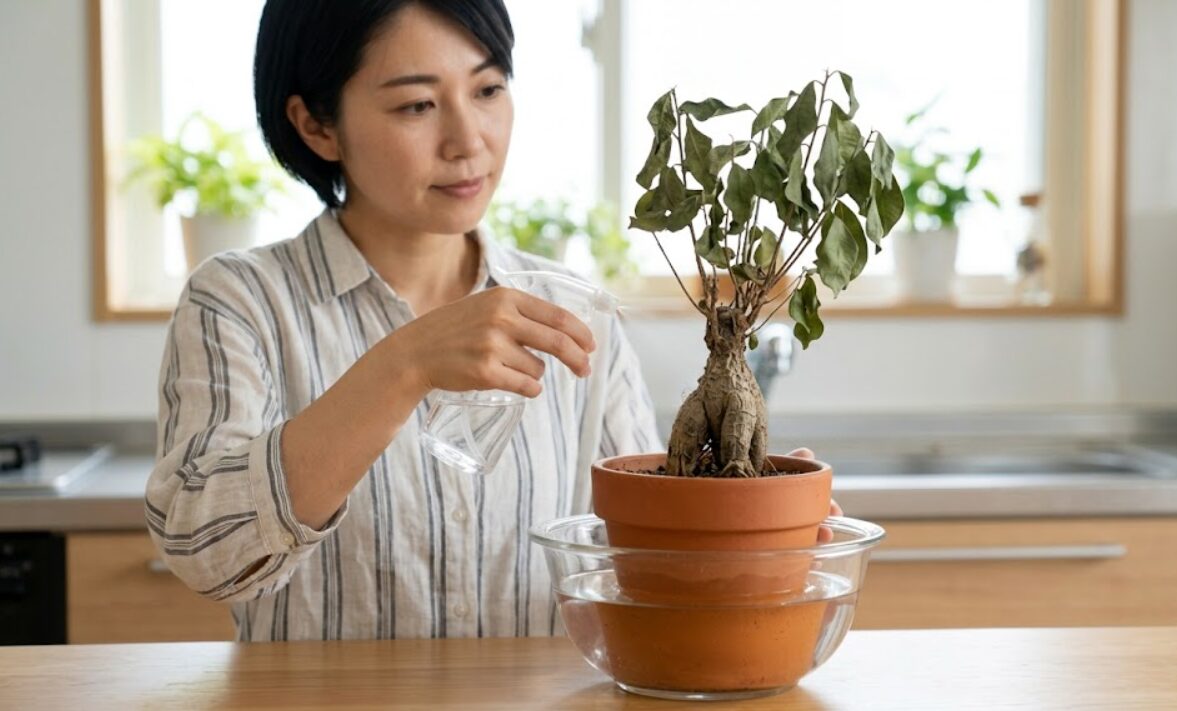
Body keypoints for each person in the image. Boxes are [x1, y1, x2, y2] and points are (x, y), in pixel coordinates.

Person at [145, 0, 830, 642]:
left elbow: (639, 563)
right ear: (315, 124)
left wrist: (751, 530)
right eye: (417, 104)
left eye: (488, 90)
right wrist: (403, 365)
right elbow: (202, 548)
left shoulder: (572, 310)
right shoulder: (239, 301)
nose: (468, 140)